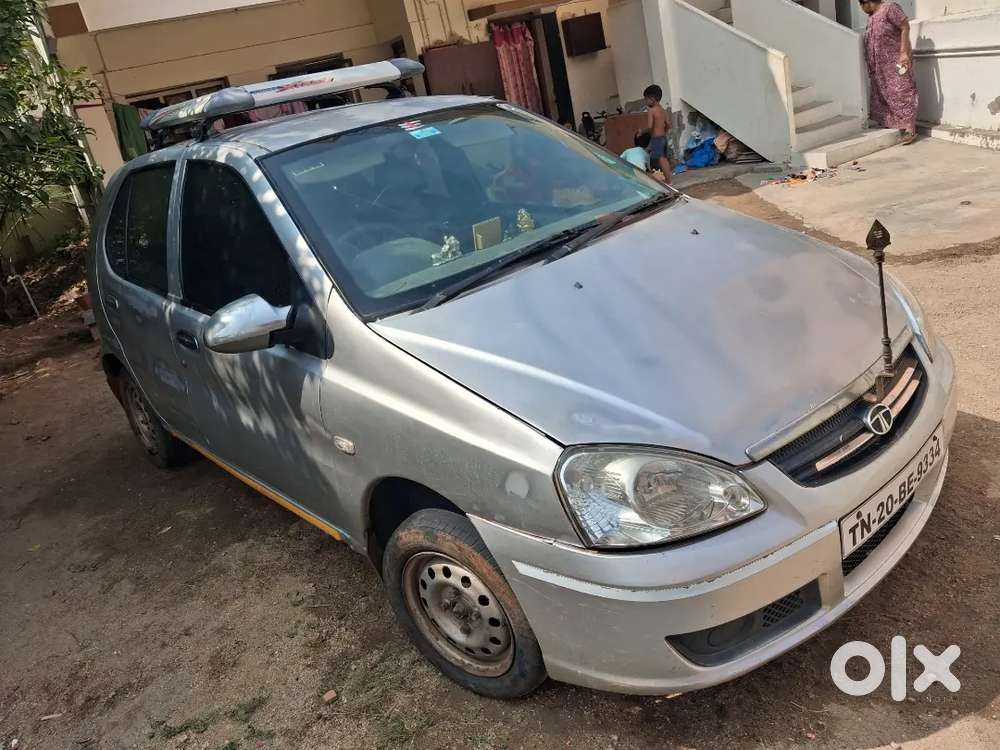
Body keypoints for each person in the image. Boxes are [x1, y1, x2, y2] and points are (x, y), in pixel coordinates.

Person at [861, 0, 918, 144]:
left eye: (861, 5)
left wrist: (904, 53)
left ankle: (909, 129)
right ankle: (894, 125)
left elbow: (905, 25)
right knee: (884, 95)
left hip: (896, 61)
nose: (862, 9)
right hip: (880, 66)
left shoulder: (889, 8)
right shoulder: (872, 17)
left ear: (867, 2)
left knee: (902, 92)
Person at [640, 84, 671, 184]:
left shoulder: (651, 111)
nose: (645, 102)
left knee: (661, 160)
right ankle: (669, 179)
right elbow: (668, 125)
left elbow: (649, 127)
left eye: (646, 99)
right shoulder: (662, 110)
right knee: (664, 159)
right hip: (663, 138)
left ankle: (668, 181)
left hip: (657, 138)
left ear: (652, 99)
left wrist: (641, 132)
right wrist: (663, 133)